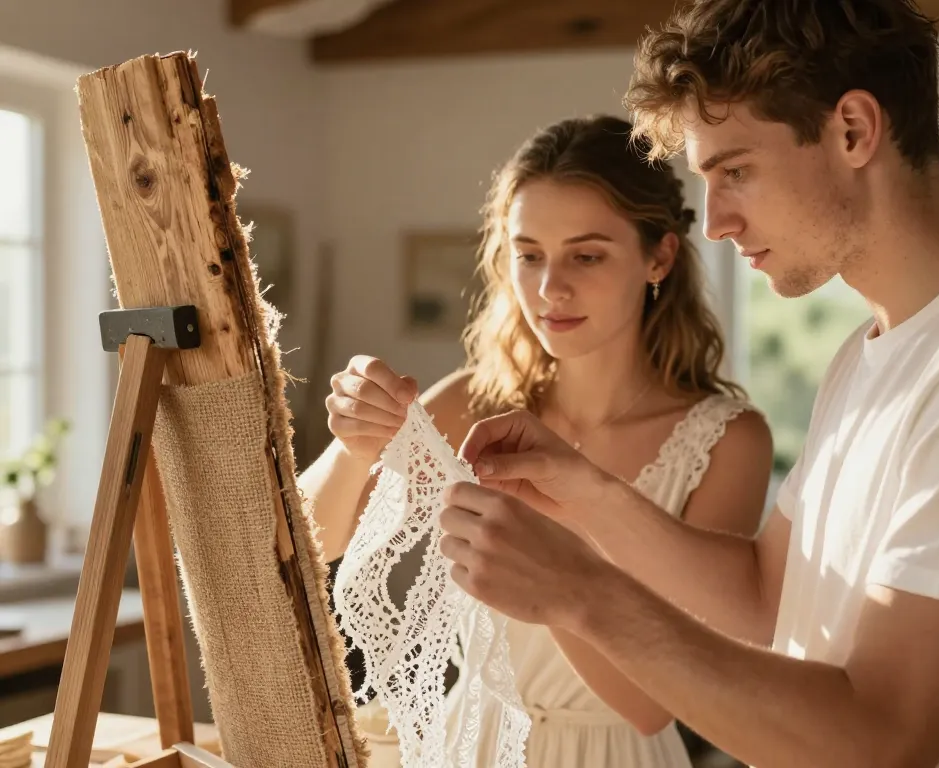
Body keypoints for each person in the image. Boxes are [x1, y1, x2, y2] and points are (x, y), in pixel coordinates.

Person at [436, 2, 939, 767]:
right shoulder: (869, 351)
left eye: (736, 170)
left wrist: (581, 592)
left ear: (853, 130)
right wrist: (583, 492)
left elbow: (885, 740)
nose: (714, 223)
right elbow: (763, 595)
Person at [299, 114, 774, 767]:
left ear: (659, 256)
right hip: (470, 745)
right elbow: (301, 547)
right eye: (529, 255)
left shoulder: (728, 442)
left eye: (586, 255)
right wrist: (352, 449)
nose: (550, 289)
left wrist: (543, 557)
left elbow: (651, 706)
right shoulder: (475, 402)